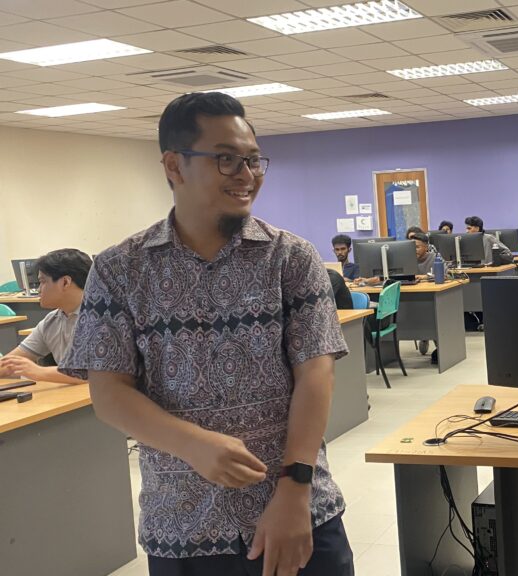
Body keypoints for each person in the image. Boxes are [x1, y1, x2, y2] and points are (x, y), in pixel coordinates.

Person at [60, 92, 355, 576]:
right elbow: (109, 394)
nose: (247, 174)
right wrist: (193, 444)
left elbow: (316, 375)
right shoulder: (119, 269)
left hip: (296, 510)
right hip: (183, 525)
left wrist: (295, 485)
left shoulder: (291, 258)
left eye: (253, 159)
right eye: (226, 159)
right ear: (174, 165)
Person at [0, 248, 91, 384]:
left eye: (42, 282)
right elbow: (10, 364)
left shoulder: (103, 318)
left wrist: (38, 371)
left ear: (65, 282)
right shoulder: (52, 321)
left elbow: (91, 374)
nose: (38, 290)